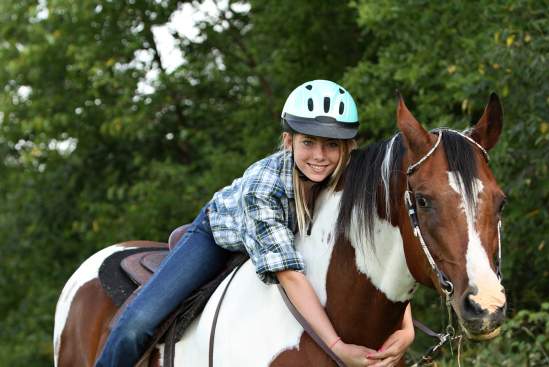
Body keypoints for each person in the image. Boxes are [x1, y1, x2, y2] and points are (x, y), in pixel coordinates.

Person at [95, 80, 414, 367]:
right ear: (288, 141)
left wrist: (406, 328)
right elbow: (289, 275)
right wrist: (337, 347)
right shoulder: (262, 190)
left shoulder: (350, 182)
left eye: (332, 145)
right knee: (138, 323)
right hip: (220, 235)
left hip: (291, 239)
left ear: (349, 147)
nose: (320, 156)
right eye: (308, 143)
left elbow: (378, 254)